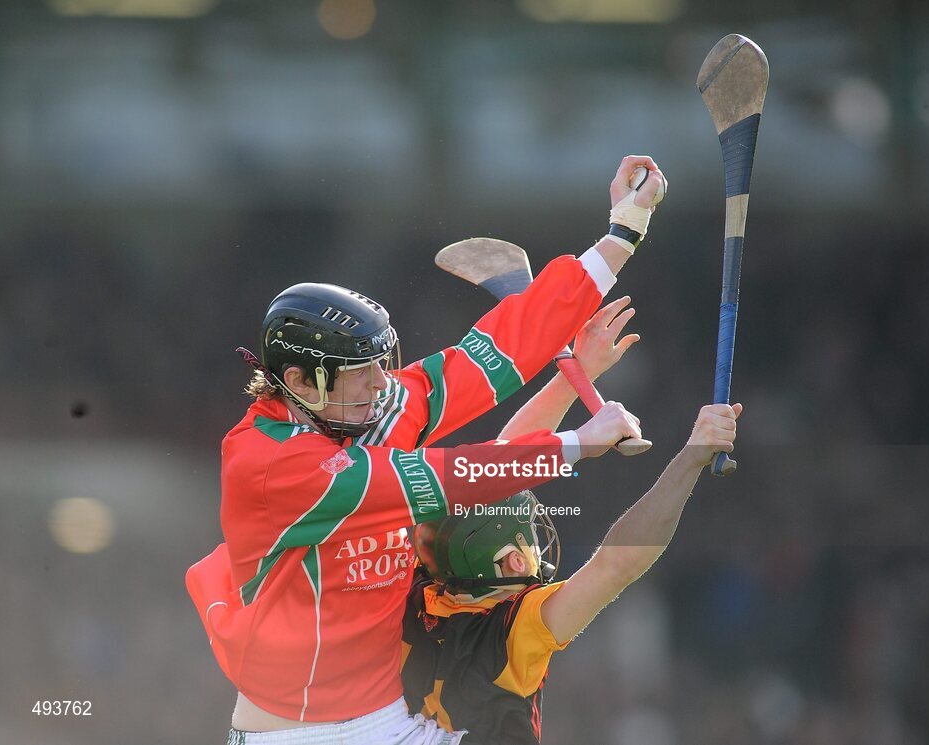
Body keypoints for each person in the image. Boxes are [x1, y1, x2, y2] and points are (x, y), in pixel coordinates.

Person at [185, 156, 667, 745]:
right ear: (300, 379)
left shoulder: (361, 408)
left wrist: (622, 231)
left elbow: (492, 352)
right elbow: (439, 479)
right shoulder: (267, 465)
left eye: (380, 365)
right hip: (295, 736)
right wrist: (571, 445)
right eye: (359, 372)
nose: (382, 385)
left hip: (389, 721)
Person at [400, 304, 742, 743]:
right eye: (526, 538)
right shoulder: (513, 632)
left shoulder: (414, 591)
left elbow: (502, 461)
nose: (536, 548)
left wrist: (572, 377)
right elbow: (615, 566)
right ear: (506, 562)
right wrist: (691, 457)